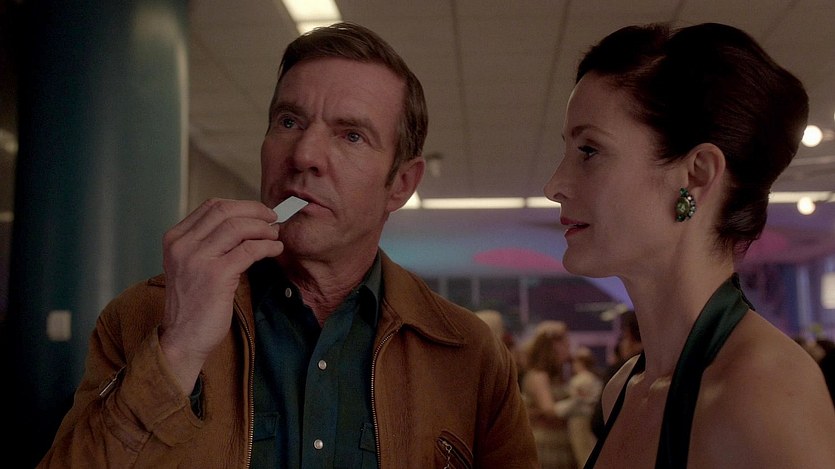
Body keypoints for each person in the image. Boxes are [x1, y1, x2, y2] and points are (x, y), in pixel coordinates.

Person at [38, 22, 538, 468]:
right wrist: (178, 348)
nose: (304, 155)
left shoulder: (470, 354)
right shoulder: (140, 317)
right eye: (289, 122)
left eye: (351, 136)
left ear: (401, 184)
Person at [543, 22, 835, 468]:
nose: (554, 185)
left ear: (697, 173)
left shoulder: (764, 392)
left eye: (588, 151)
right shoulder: (624, 388)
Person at [520, 320, 576, 469]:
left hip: (559, 441)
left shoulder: (556, 376)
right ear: (552, 346)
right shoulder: (539, 376)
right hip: (547, 444)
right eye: (564, 342)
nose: (568, 346)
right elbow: (549, 410)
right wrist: (577, 403)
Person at [554, 347, 602, 468]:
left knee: (581, 452)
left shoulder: (579, 380)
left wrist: (558, 409)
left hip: (578, 419)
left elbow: (575, 402)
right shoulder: (594, 378)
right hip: (590, 418)